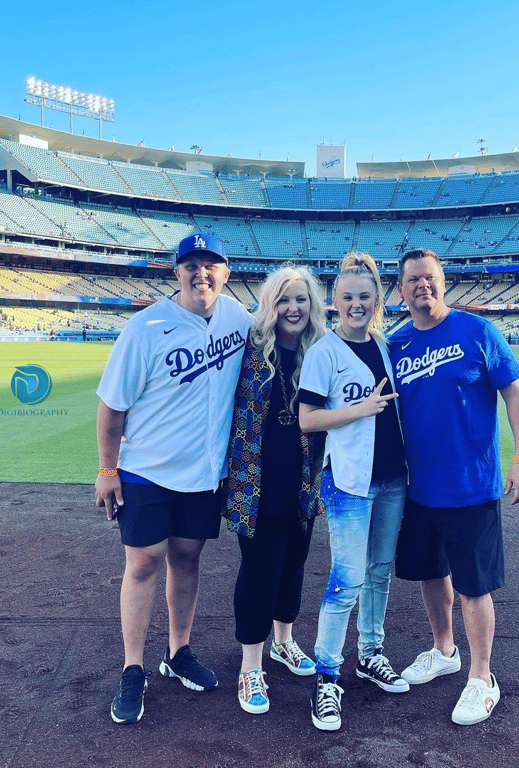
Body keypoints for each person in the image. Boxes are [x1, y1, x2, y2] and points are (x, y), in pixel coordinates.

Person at [95, 232, 252, 725]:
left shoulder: (239, 319)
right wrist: (107, 468)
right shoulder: (145, 328)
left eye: (211, 265)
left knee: (187, 559)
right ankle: (133, 668)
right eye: (191, 264)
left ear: (226, 273)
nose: (201, 273)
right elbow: (112, 405)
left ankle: (178, 651)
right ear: (176, 272)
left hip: (204, 474)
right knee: (143, 564)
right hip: (147, 472)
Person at [389, 248, 519, 727]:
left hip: (471, 487)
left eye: (429, 278)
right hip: (418, 489)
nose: (421, 286)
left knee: (474, 588)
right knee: (433, 576)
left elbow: (515, 393)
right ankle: (444, 650)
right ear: (401, 288)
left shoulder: (477, 331)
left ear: (443, 281)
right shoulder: (396, 344)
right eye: (412, 280)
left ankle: (481, 677)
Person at [299, 252, 409, 732]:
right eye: (347, 296)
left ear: (377, 300)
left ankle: (370, 652)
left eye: (365, 296)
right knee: (346, 581)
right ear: (335, 301)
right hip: (346, 481)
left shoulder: (383, 345)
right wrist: (361, 410)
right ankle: (327, 676)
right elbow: (307, 420)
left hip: (391, 479)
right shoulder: (324, 351)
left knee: (380, 571)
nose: (356, 304)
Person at [224, 265, 327, 715]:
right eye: (284, 300)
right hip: (255, 480)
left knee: (294, 564)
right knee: (259, 569)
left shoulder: (321, 351)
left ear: (312, 305)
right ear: (270, 305)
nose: (293, 308)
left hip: (303, 480)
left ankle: (284, 641)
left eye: (301, 299)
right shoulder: (250, 349)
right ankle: (250, 666)